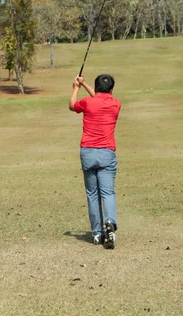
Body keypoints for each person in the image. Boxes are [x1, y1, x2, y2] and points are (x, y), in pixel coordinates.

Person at [69, 74, 121, 249]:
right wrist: (84, 85)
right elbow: (100, 98)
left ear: (96, 87)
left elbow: (72, 106)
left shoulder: (88, 102)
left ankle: (97, 233)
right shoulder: (115, 103)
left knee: (92, 194)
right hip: (107, 153)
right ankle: (110, 223)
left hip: (88, 152)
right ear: (111, 90)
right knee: (107, 193)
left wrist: (76, 87)